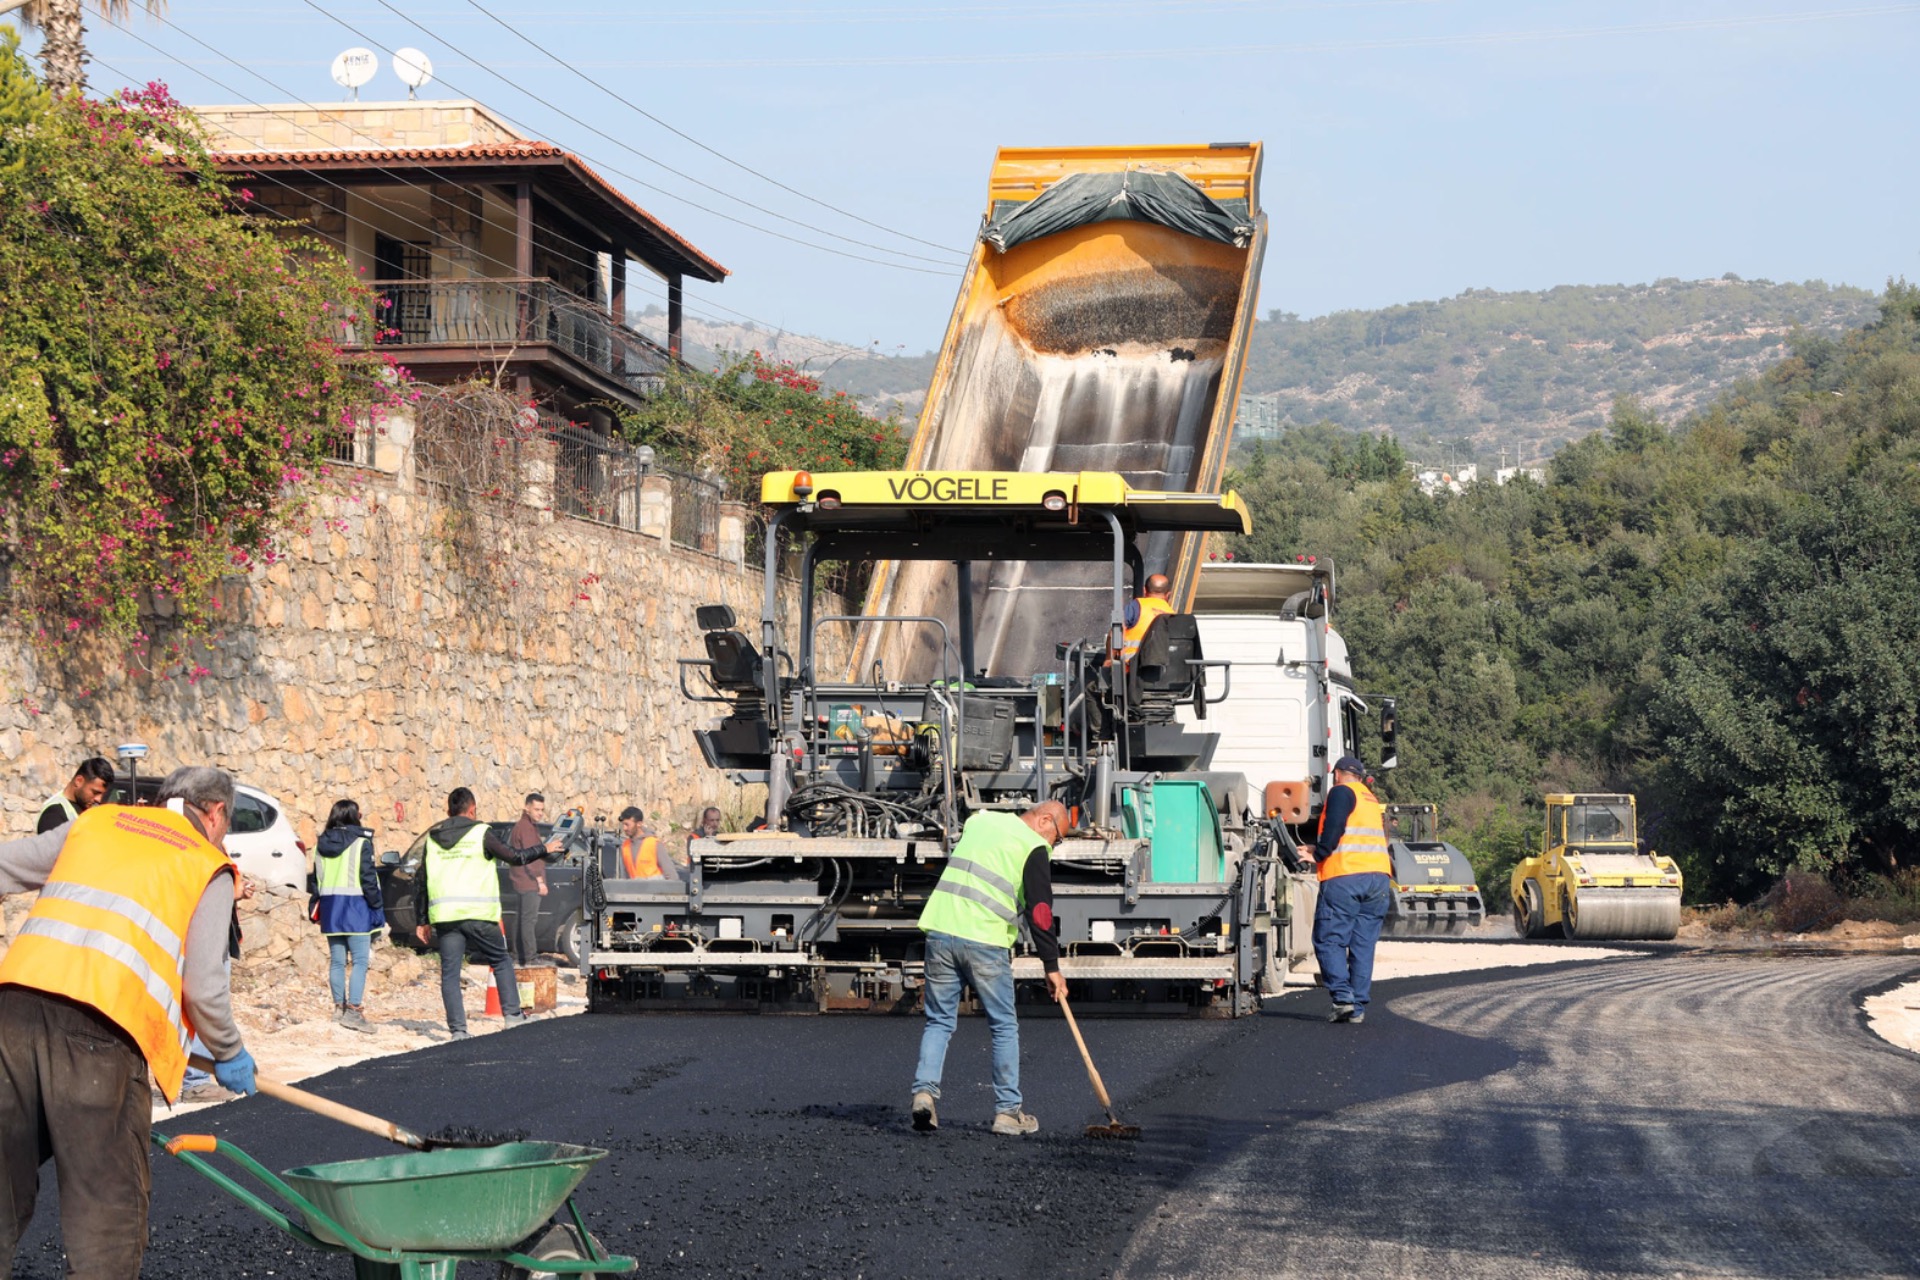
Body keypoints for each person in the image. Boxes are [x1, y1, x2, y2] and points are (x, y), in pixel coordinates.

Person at [0, 765, 256, 1277]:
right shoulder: (206, 863)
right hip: (99, 1037)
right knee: (106, 1214)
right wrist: (228, 1051)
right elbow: (204, 988)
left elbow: (5, 864)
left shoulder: (96, 822)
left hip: (12, 1014)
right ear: (216, 812)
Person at [910, 800, 1070, 1137]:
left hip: (940, 931)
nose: (1054, 846)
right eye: (1058, 838)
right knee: (1003, 1026)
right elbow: (1040, 911)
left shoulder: (981, 822)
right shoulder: (1034, 847)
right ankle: (1007, 1113)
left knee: (939, 1021)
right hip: (984, 939)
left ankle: (924, 1094)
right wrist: (1051, 966)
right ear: (1045, 820)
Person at [411, 787, 558, 1039]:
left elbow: (421, 880)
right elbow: (514, 856)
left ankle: (458, 1032)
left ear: (448, 811)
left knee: (450, 973)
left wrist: (421, 920)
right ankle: (512, 1016)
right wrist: (544, 849)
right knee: (500, 960)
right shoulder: (481, 832)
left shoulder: (433, 838)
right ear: (472, 810)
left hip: (446, 917)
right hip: (479, 914)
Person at [1310, 756, 1392, 1025]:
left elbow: (1335, 827)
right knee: (1363, 944)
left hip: (1345, 876)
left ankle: (1342, 997)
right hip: (1378, 878)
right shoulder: (1369, 799)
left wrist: (1319, 853)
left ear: (1337, 775)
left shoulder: (1341, 792)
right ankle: (1356, 1007)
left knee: (1329, 939)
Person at [312, 799, 384, 1032]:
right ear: (354, 816)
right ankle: (354, 1011)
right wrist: (377, 907)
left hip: (331, 910)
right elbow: (368, 880)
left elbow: (317, 881)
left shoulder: (320, 845)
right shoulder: (361, 843)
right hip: (357, 909)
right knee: (360, 961)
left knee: (337, 962)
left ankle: (338, 1009)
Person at [506, 792, 557, 966]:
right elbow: (531, 857)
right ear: (527, 807)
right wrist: (540, 881)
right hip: (528, 882)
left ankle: (516, 955)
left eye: (541, 810)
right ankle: (530, 957)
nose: (539, 813)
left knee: (520, 919)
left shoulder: (522, 826)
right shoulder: (526, 828)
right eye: (536, 809)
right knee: (528, 920)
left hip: (521, 881)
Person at [34, 755, 115, 833]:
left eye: (102, 794)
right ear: (79, 781)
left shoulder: (86, 807)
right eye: (95, 792)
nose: (99, 799)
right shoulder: (53, 814)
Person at [1117, 573, 1175, 665]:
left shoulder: (1136, 606)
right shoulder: (1172, 614)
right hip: (1159, 672)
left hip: (1131, 669)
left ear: (1144, 590)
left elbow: (1117, 630)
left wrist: (1111, 659)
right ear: (1168, 594)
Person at [615, 805, 671, 879]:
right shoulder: (625, 846)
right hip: (634, 890)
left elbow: (671, 875)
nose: (624, 828)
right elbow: (624, 876)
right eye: (623, 824)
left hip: (655, 890)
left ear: (639, 824)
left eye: (627, 824)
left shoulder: (654, 844)